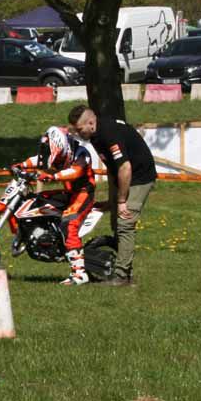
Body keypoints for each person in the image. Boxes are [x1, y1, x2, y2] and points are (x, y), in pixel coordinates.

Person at [65, 104, 157, 286]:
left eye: (80, 130)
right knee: (117, 222)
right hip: (125, 176)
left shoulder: (108, 133)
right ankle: (124, 267)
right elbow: (113, 167)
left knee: (125, 223)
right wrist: (112, 201)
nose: (78, 134)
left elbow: (125, 167)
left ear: (91, 123)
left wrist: (121, 200)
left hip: (140, 177)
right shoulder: (94, 135)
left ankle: (122, 277)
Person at [12, 125, 96, 285]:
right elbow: (39, 159)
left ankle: (80, 274)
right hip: (69, 193)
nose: (52, 155)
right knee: (34, 201)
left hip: (84, 193)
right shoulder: (60, 154)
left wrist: (53, 176)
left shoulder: (81, 153)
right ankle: (43, 236)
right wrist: (21, 166)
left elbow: (75, 172)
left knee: (69, 224)